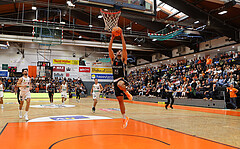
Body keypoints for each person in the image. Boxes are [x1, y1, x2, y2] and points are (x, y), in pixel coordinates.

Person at [108, 27, 133, 128]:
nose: (119, 52)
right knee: (120, 101)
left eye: (119, 51)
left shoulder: (123, 59)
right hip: (115, 81)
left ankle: (127, 92)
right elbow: (109, 49)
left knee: (119, 84)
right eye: (117, 51)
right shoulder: (113, 59)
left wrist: (121, 35)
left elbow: (124, 47)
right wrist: (112, 38)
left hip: (122, 80)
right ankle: (124, 118)